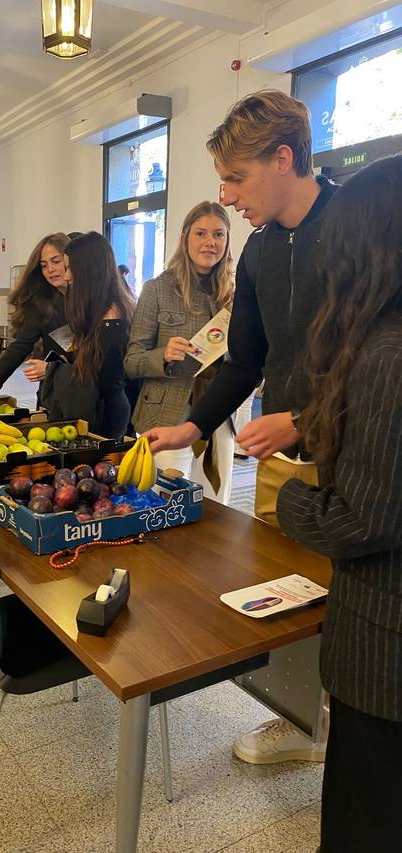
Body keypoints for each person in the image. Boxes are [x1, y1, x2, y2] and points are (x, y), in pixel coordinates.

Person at [145, 89, 337, 763]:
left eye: (237, 178)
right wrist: (192, 428)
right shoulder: (258, 253)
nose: (225, 197)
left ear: (284, 158)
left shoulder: (357, 228)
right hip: (286, 450)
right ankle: (298, 716)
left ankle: (345, 717)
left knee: (348, 595)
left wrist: (306, 418)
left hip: (360, 453)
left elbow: (382, 367)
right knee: (289, 587)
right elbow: (246, 359)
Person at [276, 154, 402, 852]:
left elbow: (365, 517)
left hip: (384, 654)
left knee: (365, 820)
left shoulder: (387, 354)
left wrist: (293, 499)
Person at [124, 201, 236, 503]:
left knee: (216, 503)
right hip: (166, 414)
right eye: (201, 233)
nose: (210, 242)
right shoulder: (157, 289)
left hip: (219, 415)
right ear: (185, 237)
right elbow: (132, 361)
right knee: (165, 501)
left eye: (218, 234)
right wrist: (162, 355)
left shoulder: (235, 293)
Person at [41, 231, 135, 439]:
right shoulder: (102, 309)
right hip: (100, 414)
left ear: (87, 271)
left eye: (68, 267)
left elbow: (100, 380)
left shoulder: (111, 318)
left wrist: (53, 370)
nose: (66, 276)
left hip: (105, 420)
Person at [0, 233, 70, 402]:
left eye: (56, 261)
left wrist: (51, 369)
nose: (50, 269)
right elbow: (21, 345)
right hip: (53, 394)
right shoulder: (42, 302)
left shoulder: (92, 302)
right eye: (43, 265)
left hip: (87, 396)